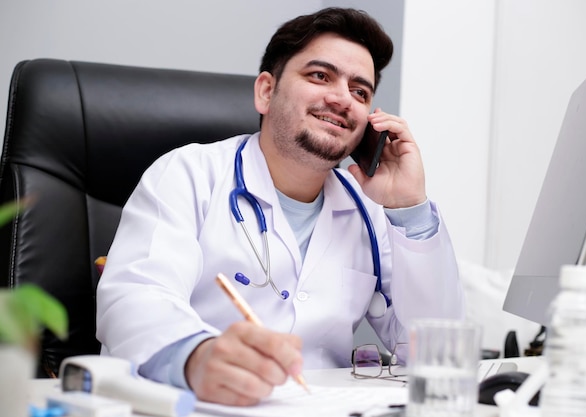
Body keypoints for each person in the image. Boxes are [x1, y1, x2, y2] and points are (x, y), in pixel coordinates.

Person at [96, 7, 465, 406]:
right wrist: (195, 357)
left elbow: (435, 348)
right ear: (266, 92)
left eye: (360, 91)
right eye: (320, 76)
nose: (342, 98)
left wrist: (409, 208)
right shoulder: (188, 173)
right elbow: (135, 296)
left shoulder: (371, 209)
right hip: (192, 404)